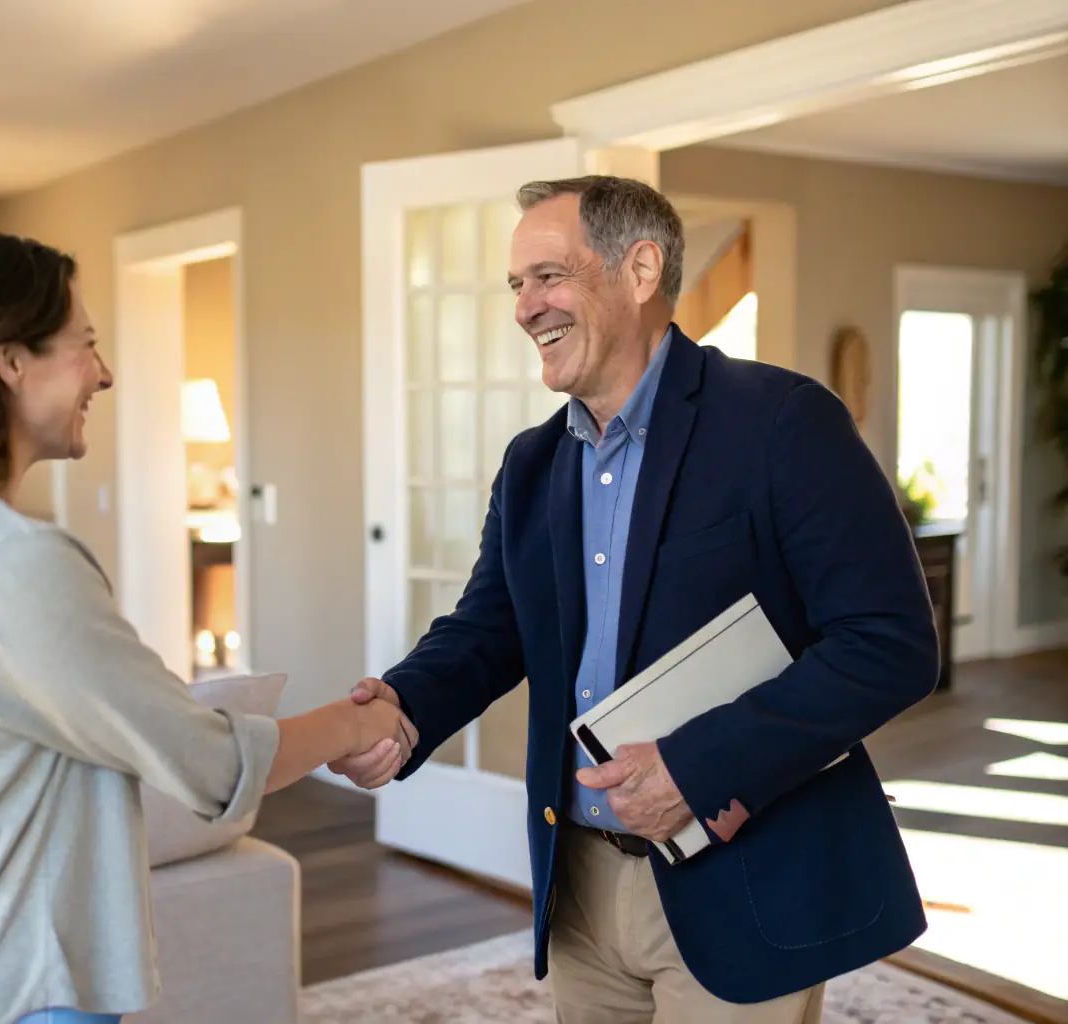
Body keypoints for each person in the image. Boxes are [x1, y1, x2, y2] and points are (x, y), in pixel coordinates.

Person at [329, 176, 939, 1023]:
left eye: (547, 276)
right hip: (578, 881)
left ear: (640, 269)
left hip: (743, 874)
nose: (523, 309)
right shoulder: (532, 464)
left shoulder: (781, 422)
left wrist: (694, 766)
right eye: (515, 286)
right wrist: (402, 705)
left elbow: (889, 644)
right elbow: (489, 628)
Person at [0, 224, 416, 1024]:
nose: (104, 372)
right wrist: (354, 720)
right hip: (14, 992)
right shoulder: (8, 562)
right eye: (85, 344)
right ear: (9, 359)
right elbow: (209, 763)